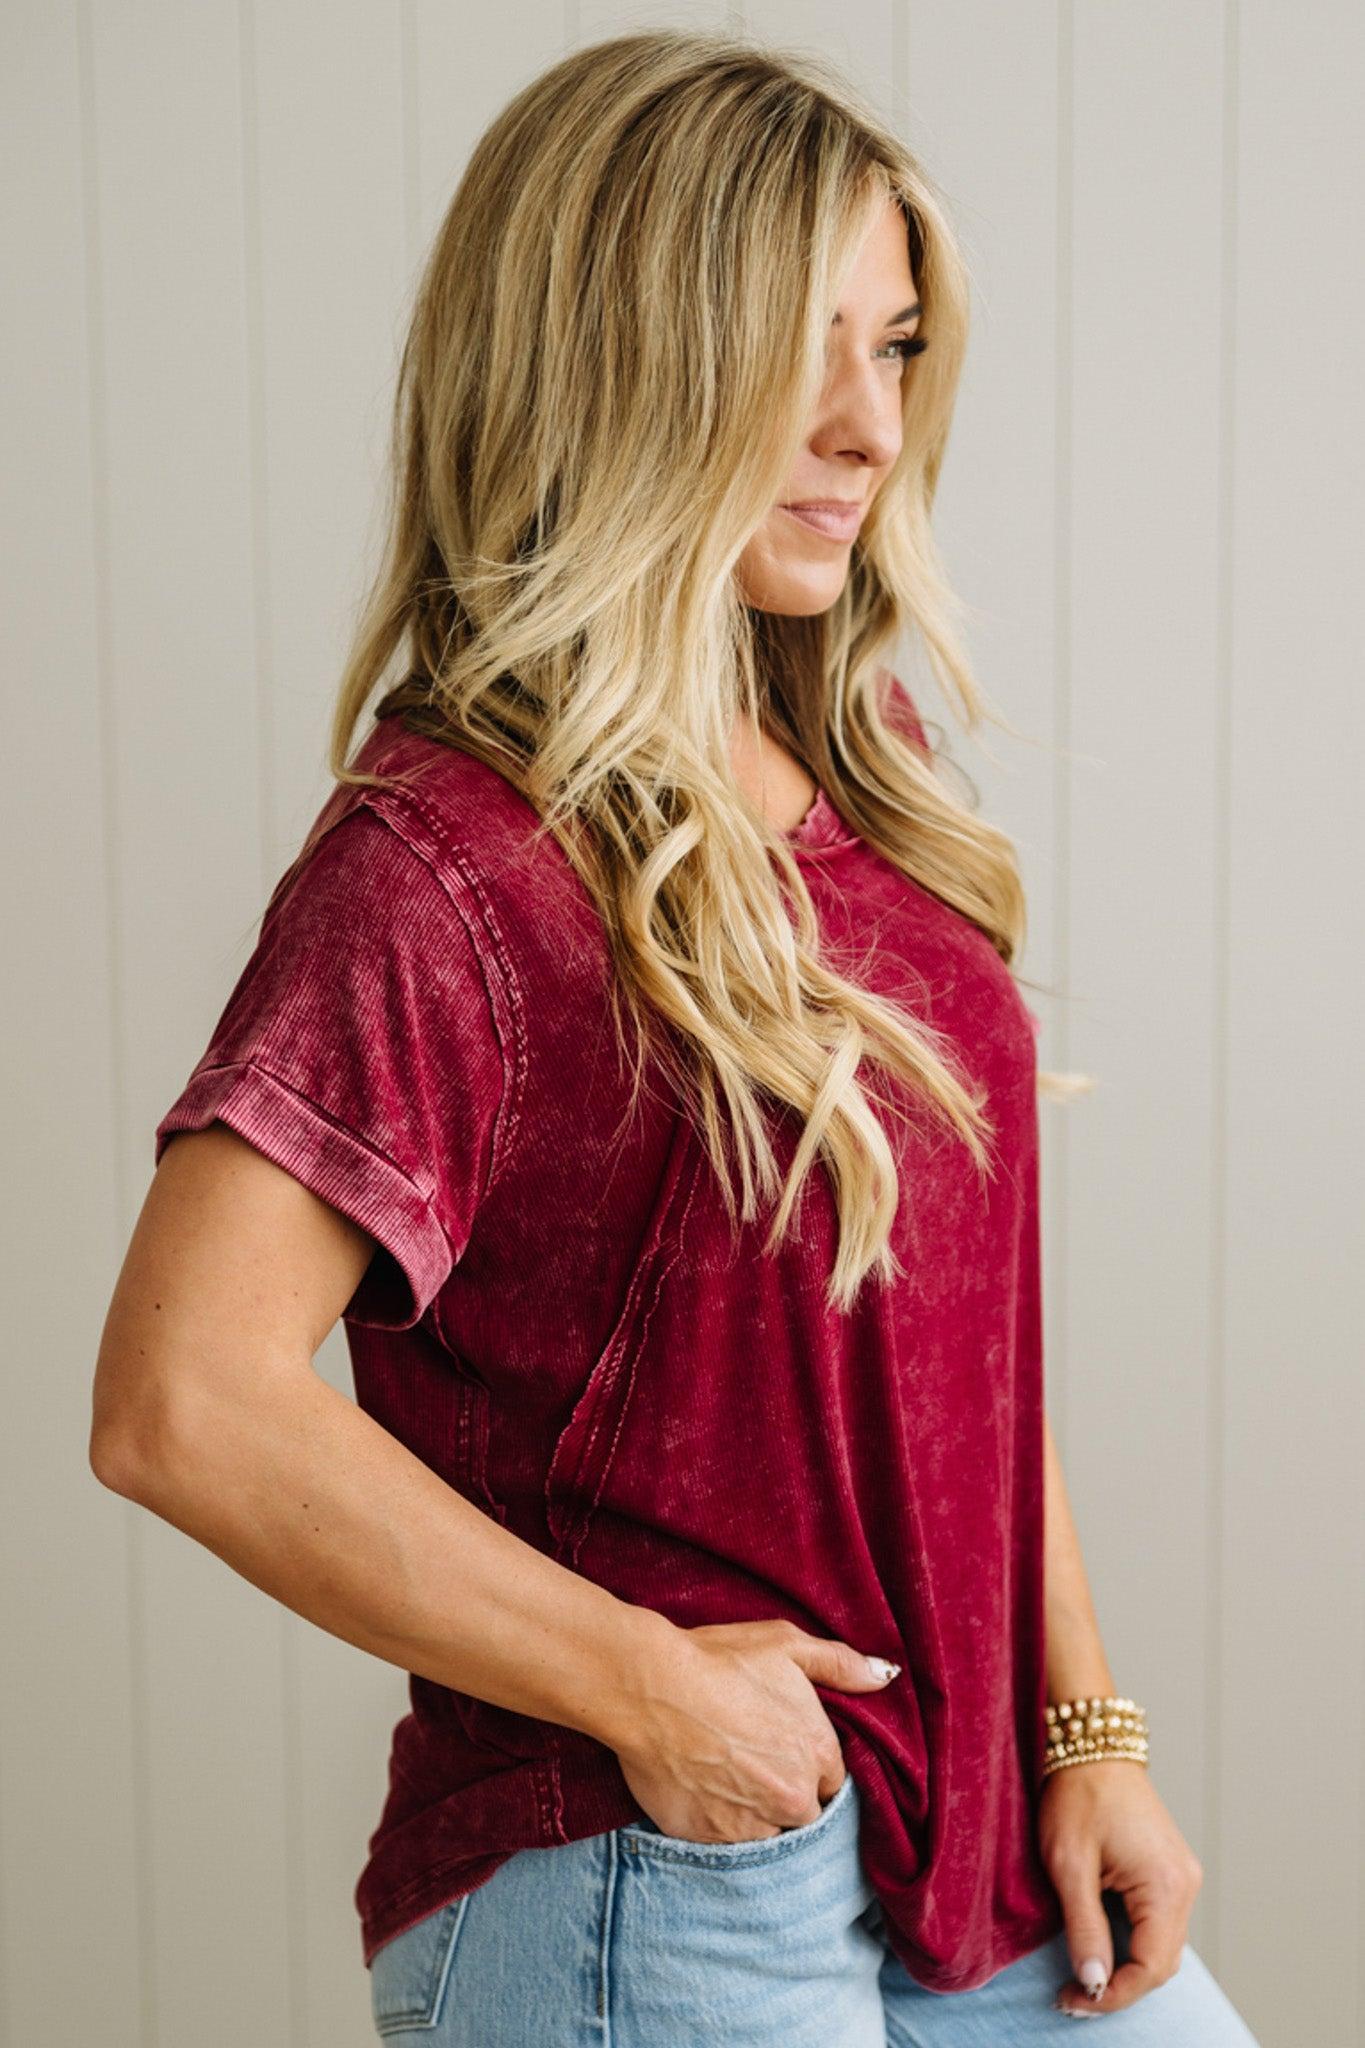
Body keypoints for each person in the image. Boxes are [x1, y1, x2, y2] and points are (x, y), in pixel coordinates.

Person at [90, 28, 1262, 2047]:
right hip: (662, 1863)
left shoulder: (859, 771)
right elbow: (181, 1399)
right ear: (611, 355)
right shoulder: (447, 862)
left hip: (969, 1861)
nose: (866, 425)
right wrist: (659, 1693)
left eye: (893, 346)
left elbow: (950, 1322)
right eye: (797, 341)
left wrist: (1081, 1723)